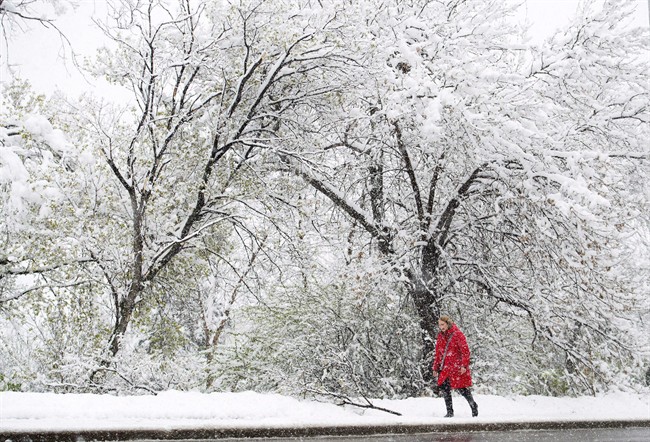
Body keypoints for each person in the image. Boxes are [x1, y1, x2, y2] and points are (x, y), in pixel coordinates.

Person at [432, 315, 478, 418]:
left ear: (448, 323)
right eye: (439, 325)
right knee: (445, 388)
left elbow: (465, 351)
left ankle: (473, 405)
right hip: (445, 368)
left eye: (443, 324)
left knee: (461, 388)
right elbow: (438, 353)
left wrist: (464, 365)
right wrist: (435, 367)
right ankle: (450, 412)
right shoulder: (440, 336)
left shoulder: (457, 334)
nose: (441, 327)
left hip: (456, 367)